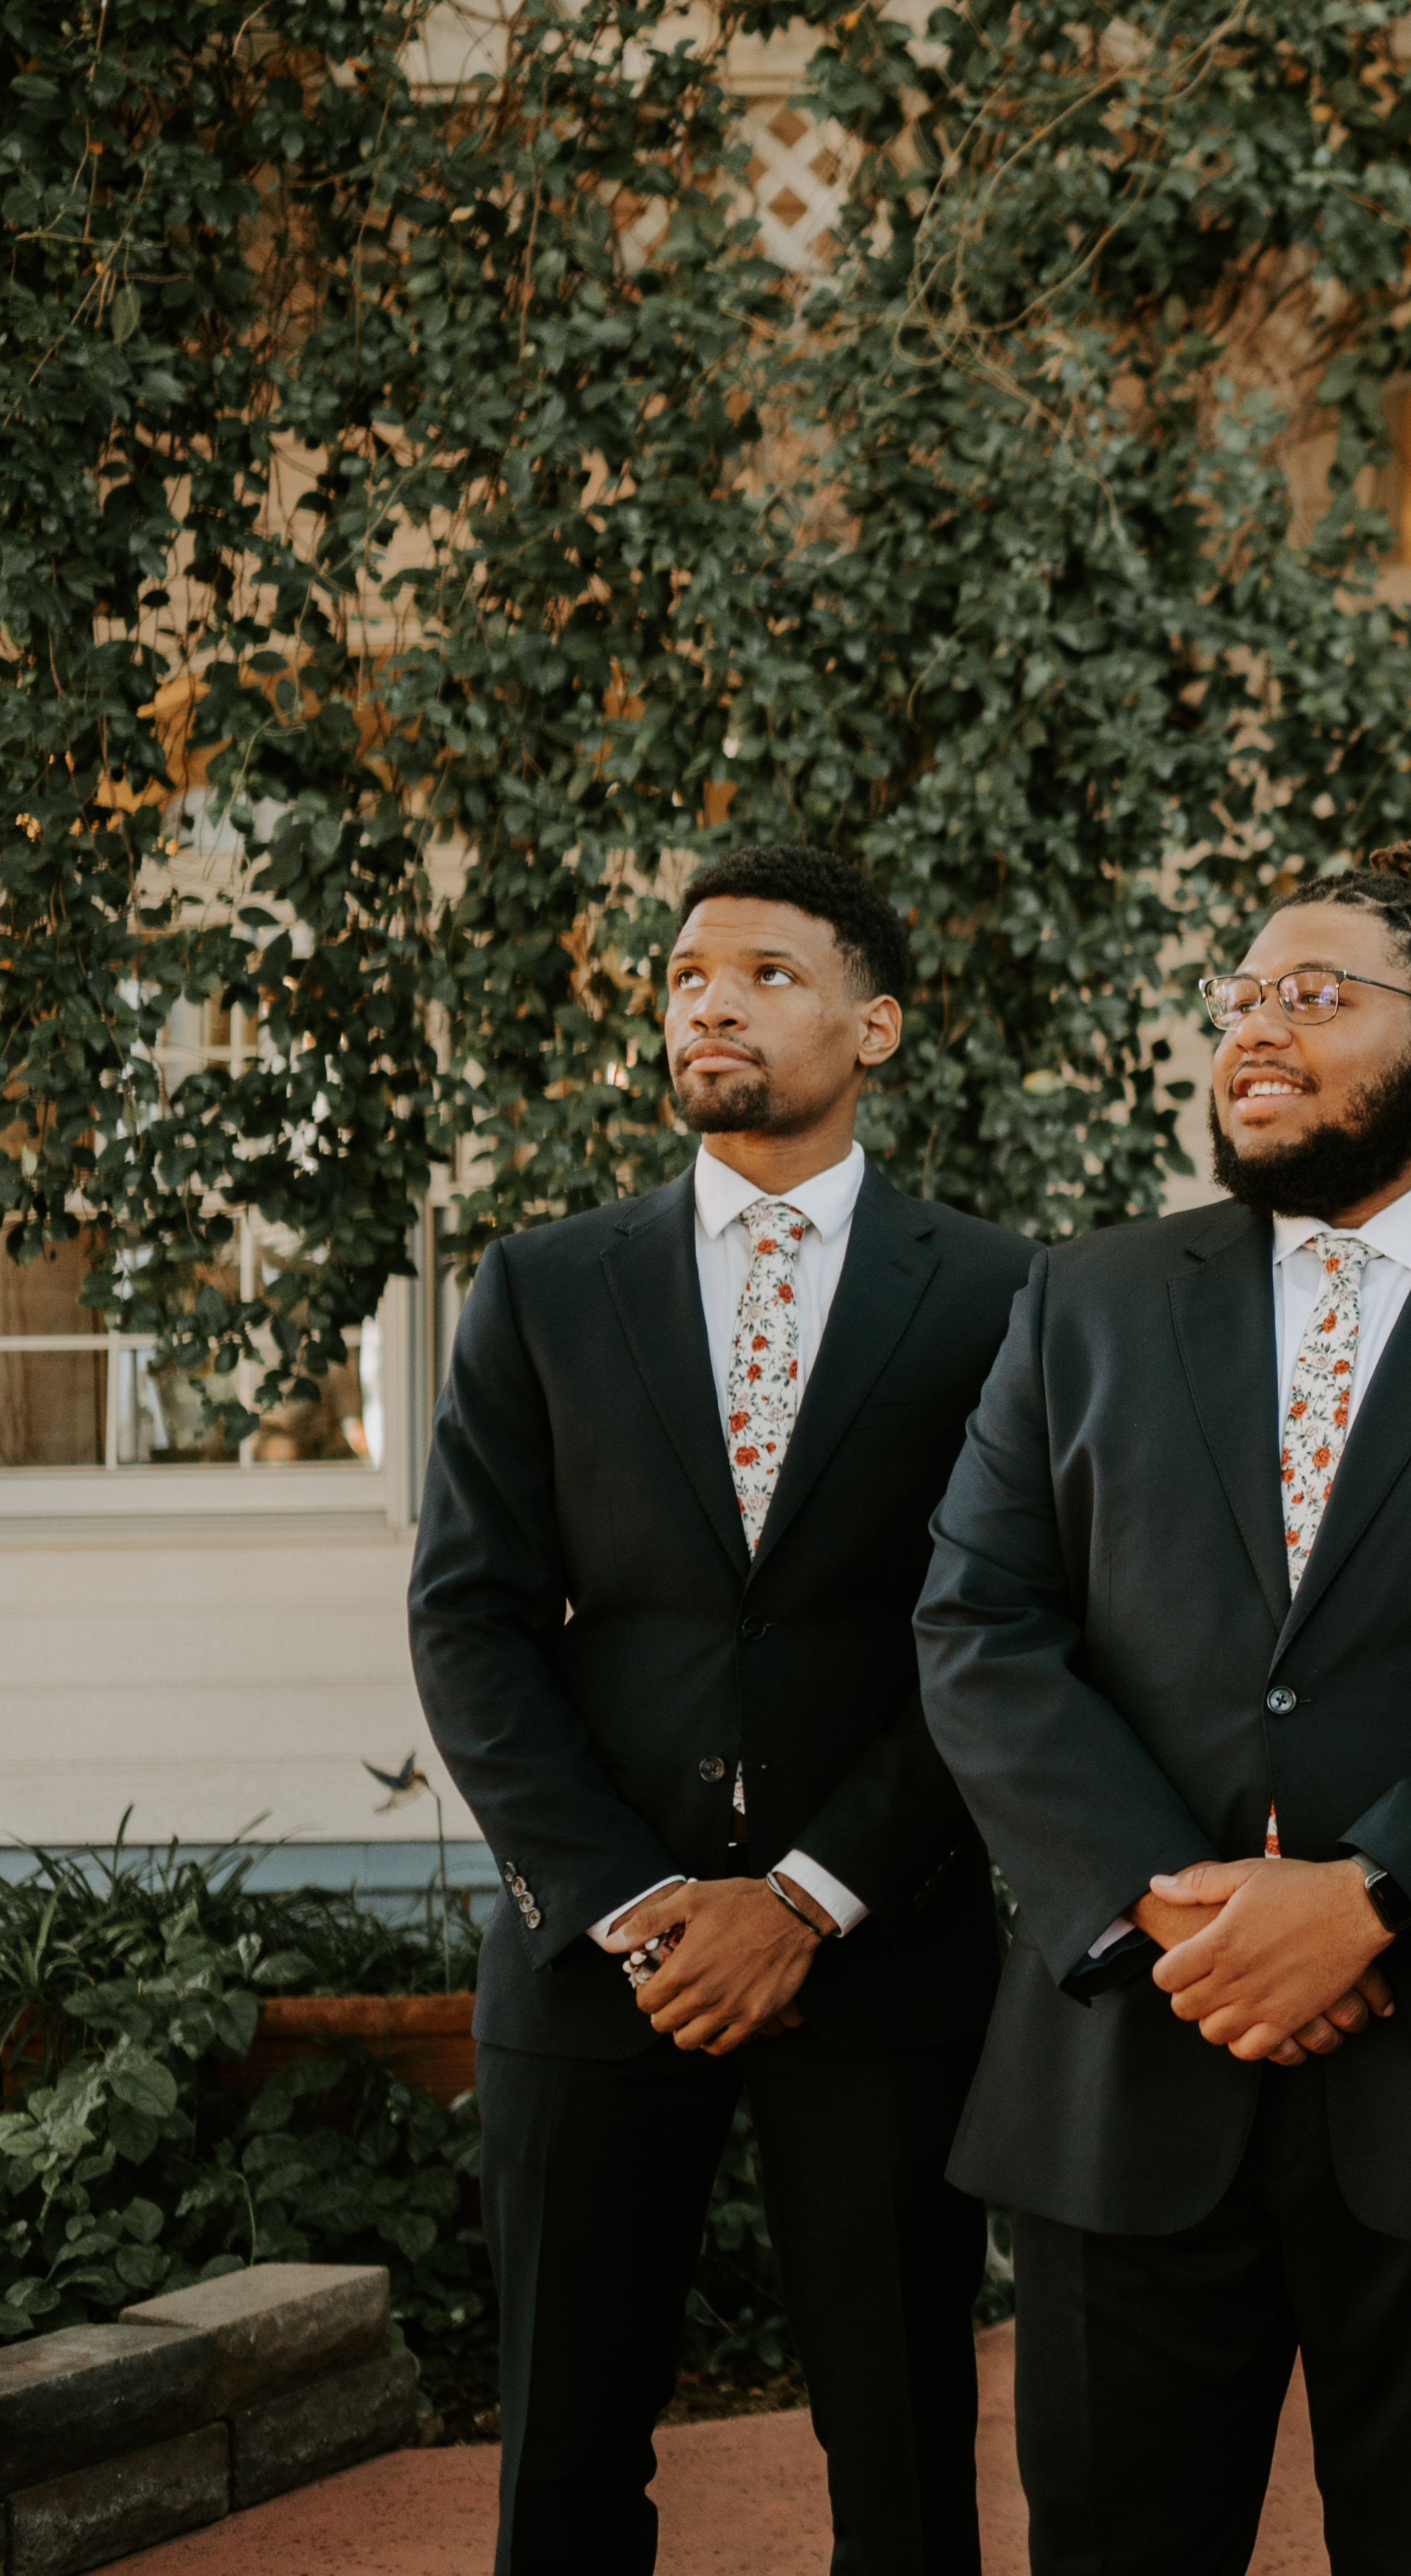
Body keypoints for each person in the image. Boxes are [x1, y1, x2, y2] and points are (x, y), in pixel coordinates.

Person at [912, 842, 1411, 2576]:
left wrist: (1377, 1896)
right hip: (1130, 2057)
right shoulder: (1085, 1294)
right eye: (1239, 998)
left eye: (1314, 996)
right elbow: (981, 1618)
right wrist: (1165, 1901)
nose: (1255, 1028)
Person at [411, 844, 1030, 2576]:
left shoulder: (1001, 1292)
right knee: (565, 2451)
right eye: (688, 975)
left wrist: (812, 1893)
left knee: (905, 2450)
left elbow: (1002, 1629)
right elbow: (471, 1618)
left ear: (875, 1020)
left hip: (879, 1950)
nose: (710, 1001)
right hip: (596, 1949)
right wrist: (627, 1898)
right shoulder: (543, 1283)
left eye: (764, 971)